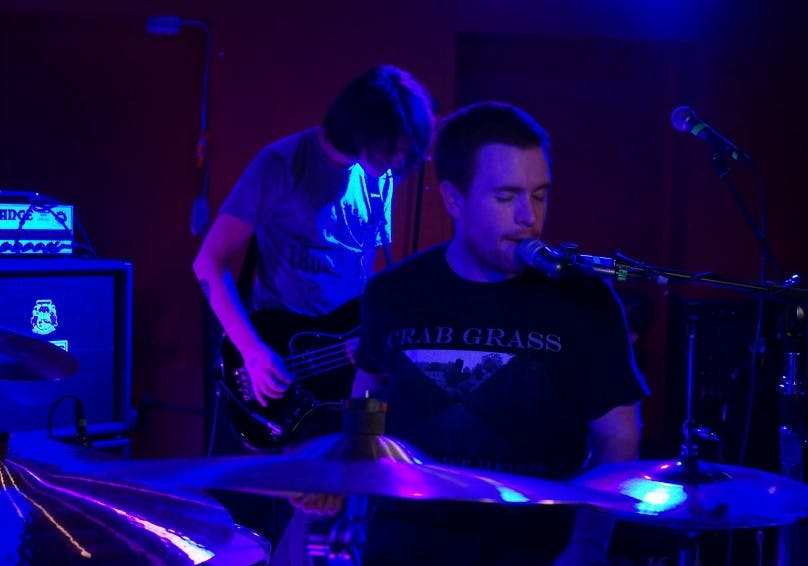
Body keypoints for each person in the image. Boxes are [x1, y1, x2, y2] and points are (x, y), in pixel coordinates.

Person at [346, 101, 649, 565]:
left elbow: (617, 437)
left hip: (537, 549)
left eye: (540, 195)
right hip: (406, 545)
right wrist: (346, 470)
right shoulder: (393, 292)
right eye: (506, 197)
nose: (529, 216)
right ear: (454, 199)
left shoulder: (584, 299)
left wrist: (589, 543)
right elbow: (370, 394)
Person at [192, 64, 433, 547]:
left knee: (334, 518)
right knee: (246, 527)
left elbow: (369, 277)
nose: (399, 164)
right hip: (278, 366)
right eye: (395, 149)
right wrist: (253, 352)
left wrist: (371, 339)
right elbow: (209, 263)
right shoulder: (281, 164)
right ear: (367, 131)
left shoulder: (378, 179)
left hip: (341, 371)